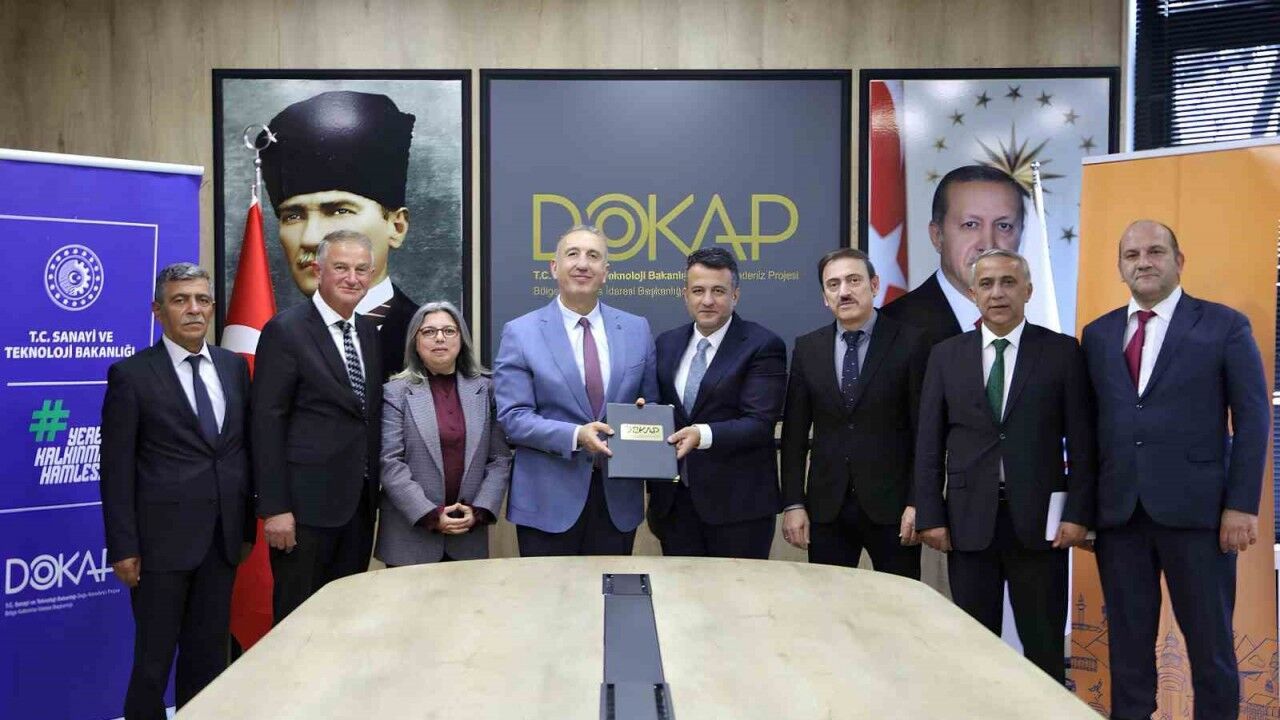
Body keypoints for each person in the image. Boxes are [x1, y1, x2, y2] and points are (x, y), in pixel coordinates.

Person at [1082, 220, 1267, 720]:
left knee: (1210, 651)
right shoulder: (1097, 335)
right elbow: (1088, 429)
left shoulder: (1224, 325)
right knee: (1128, 652)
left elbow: (1253, 419)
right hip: (1120, 517)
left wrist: (1241, 506)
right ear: (1120, 267)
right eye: (1132, 255)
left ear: (1178, 261)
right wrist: (1085, 511)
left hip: (1200, 518)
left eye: (1155, 251)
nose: (1143, 262)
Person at [914, 249, 1095, 684]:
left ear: (1028, 291)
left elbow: (1085, 443)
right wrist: (930, 515)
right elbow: (928, 442)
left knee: (1044, 647)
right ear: (973, 294)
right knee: (975, 649)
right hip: (968, 523)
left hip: (1041, 527)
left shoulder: (1061, 352)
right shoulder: (945, 356)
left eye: (1008, 283)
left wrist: (1078, 514)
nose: (997, 293)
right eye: (987, 284)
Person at [100, 263, 254, 719]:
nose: (193, 309)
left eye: (202, 300)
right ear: (158, 310)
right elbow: (116, 470)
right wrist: (123, 546)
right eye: (180, 300)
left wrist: (245, 527)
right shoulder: (131, 375)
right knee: (153, 663)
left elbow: (240, 452)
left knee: (208, 660)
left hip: (222, 541)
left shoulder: (232, 367)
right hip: (159, 547)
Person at [493, 224, 659, 556]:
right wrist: (576, 436)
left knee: (611, 589)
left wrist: (644, 416)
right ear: (554, 268)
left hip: (616, 502)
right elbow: (513, 418)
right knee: (548, 591)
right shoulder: (521, 333)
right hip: (546, 503)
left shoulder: (637, 329)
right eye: (573, 254)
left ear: (605, 272)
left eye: (593, 256)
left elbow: (652, 404)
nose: (583, 264)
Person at [252, 230, 383, 622]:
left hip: (358, 507)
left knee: (346, 619)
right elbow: (266, 423)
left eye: (361, 269)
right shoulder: (286, 330)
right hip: (303, 512)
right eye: (341, 268)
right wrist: (275, 508)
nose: (352, 278)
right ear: (318, 270)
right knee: (298, 623)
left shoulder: (368, 331)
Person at [779, 248, 929, 577]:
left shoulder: (911, 343)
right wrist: (793, 503)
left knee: (899, 602)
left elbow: (925, 434)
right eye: (833, 284)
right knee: (828, 602)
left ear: (874, 285)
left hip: (893, 509)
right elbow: (793, 436)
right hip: (826, 508)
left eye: (853, 280)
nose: (844, 291)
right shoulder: (807, 348)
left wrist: (918, 502)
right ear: (825, 297)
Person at [260, 90, 419, 378]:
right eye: (293, 216)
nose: (310, 238)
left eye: (339, 211)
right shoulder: (281, 337)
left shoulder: (429, 332)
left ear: (396, 227)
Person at [647, 247, 786, 559]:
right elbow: (660, 411)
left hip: (738, 511)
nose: (707, 300)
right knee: (679, 590)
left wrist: (701, 434)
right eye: (698, 291)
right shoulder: (666, 343)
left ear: (735, 295)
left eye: (718, 291)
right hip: (674, 507)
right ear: (685, 295)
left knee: (738, 592)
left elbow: (759, 423)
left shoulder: (763, 345)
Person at [374, 301, 511, 566]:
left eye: (449, 331)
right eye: (429, 331)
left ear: (461, 339)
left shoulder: (486, 391)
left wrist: (480, 510)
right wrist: (430, 514)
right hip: (411, 538)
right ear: (415, 341)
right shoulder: (395, 393)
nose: (440, 338)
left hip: (468, 534)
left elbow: (499, 459)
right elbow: (389, 462)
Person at [881, 164, 1026, 346]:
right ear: (937, 236)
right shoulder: (889, 332)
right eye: (970, 225)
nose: (988, 245)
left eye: (1004, 226)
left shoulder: (1043, 323)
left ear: (1021, 235)